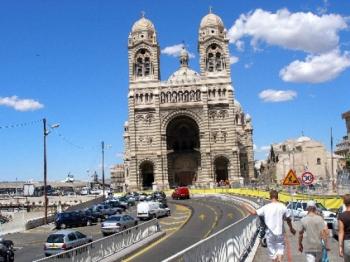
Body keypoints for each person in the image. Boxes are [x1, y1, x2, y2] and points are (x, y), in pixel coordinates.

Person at [245, 190, 296, 262]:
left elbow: (254, 212)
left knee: (272, 252)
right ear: (277, 197)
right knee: (280, 248)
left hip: (269, 233)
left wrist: (245, 205)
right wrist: (291, 228)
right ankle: (280, 260)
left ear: (270, 197)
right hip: (280, 232)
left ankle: (275, 260)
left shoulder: (266, 207)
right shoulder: (283, 206)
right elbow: (288, 219)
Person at [339, 194, 350, 261]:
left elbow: (341, 232)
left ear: (344, 203)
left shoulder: (342, 216)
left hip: (347, 243)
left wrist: (340, 247)